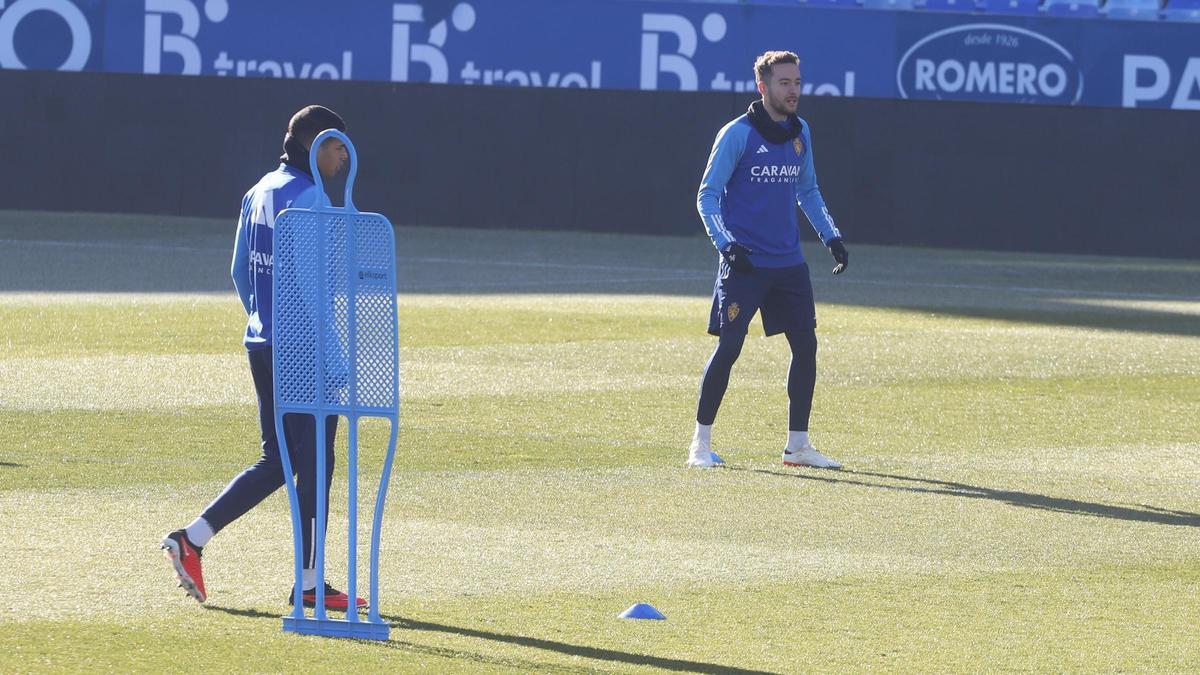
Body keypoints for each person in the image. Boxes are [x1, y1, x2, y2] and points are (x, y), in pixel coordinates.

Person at [161, 105, 365, 610]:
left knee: (281, 460)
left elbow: (238, 271)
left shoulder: (259, 191)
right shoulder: (312, 199)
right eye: (337, 144)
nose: (344, 154)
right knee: (315, 460)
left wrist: (264, 319)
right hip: (303, 350)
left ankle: (193, 539)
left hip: (263, 342)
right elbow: (316, 293)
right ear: (316, 148)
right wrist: (335, 358)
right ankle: (311, 583)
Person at [688, 51, 850, 470]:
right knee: (729, 348)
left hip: (788, 264)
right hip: (744, 263)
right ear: (763, 87)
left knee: (806, 347)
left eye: (797, 81)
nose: (793, 89)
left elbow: (807, 190)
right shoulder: (737, 134)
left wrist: (831, 236)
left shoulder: (802, 133)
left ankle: (798, 446)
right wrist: (727, 246)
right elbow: (707, 197)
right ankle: (700, 445)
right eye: (784, 82)